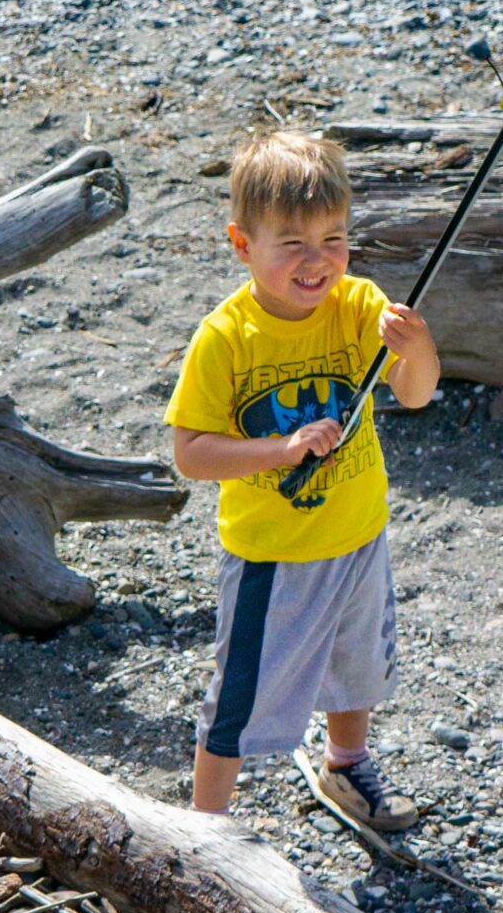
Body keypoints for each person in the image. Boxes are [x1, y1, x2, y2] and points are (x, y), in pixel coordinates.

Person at [165, 129, 439, 827]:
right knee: (239, 696)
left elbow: (414, 394)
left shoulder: (357, 305)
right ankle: (205, 827)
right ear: (241, 243)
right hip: (272, 554)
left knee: (358, 667)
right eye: (293, 243)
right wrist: (281, 449)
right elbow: (190, 453)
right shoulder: (226, 337)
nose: (318, 262)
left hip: (356, 533)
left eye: (334, 238)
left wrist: (419, 351)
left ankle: (347, 766)